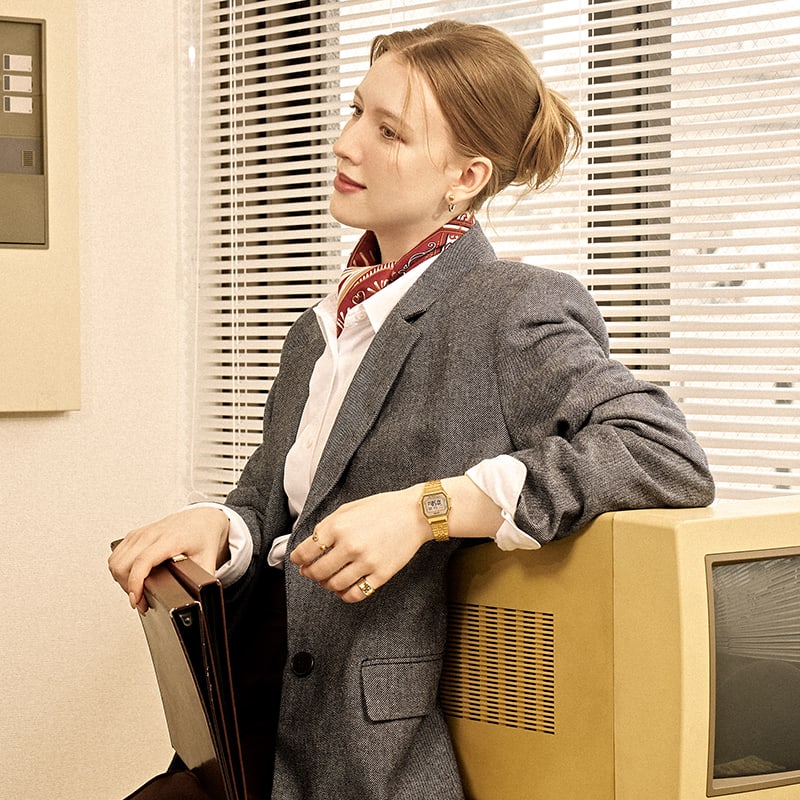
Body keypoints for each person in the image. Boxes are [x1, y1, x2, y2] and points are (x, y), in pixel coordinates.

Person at [109, 20, 714, 800]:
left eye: (389, 131)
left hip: (373, 769)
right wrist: (222, 525)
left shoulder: (508, 309)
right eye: (356, 112)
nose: (345, 144)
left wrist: (427, 509)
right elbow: (280, 504)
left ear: (464, 176)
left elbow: (662, 453)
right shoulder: (320, 332)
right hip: (250, 740)